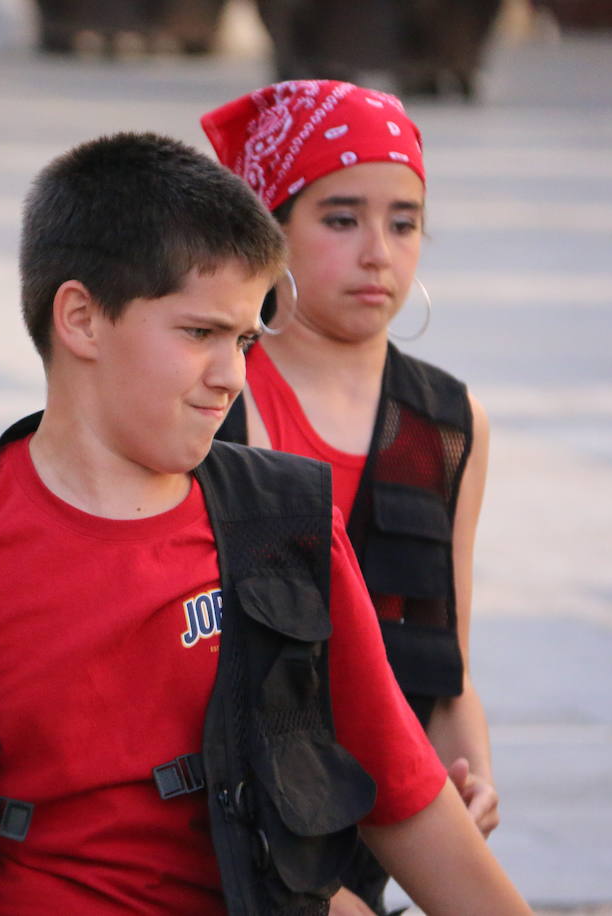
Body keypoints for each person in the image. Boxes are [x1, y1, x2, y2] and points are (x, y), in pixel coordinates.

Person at [0, 131, 530, 915]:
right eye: (200, 332)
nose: (230, 374)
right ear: (80, 318)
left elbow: (407, 800)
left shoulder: (288, 529)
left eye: (245, 340)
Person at [201, 80, 497, 914]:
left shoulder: (448, 422)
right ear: (271, 230)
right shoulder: (217, 399)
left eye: (404, 223)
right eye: (341, 218)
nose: (379, 252)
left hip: (382, 824)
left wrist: (464, 787)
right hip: (226, 828)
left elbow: (447, 663)